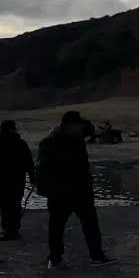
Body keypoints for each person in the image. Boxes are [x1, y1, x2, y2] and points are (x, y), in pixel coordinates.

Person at [37, 111, 114, 269]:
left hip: (80, 189)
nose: (80, 128)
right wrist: (46, 189)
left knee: (90, 224)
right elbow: (43, 169)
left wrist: (83, 122)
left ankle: (96, 256)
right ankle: (55, 258)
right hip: (60, 192)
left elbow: (90, 130)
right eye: (77, 125)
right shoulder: (51, 142)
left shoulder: (76, 138)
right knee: (57, 227)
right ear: (70, 126)